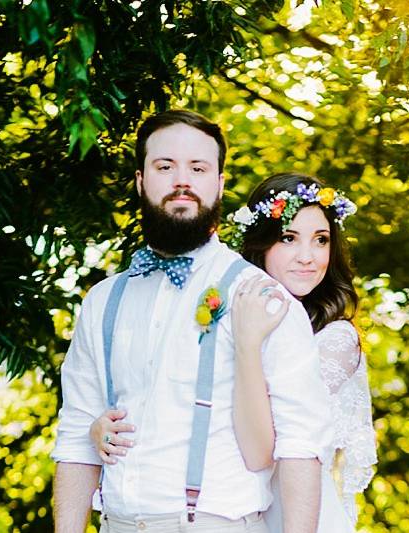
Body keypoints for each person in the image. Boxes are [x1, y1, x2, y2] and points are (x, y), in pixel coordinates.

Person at [51, 110, 333, 533]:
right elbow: (76, 436)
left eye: (198, 168)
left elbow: (299, 447)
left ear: (218, 183)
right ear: (141, 180)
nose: (182, 180)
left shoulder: (263, 300)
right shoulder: (102, 302)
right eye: (165, 166)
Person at [92, 173, 377, 532]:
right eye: (289, 238)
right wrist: (100, 425)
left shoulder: (335, 337)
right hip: (224, 508)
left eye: (320, 240)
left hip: (294, 512)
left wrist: (248, 344)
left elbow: (263, 444)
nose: (308, 257)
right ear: (261, 244)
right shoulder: (221, 306)